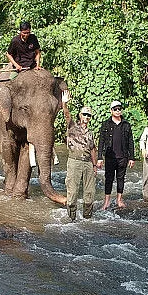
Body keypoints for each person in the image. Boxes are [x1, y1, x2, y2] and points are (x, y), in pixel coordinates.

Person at [61, 91, 97, 221]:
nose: (86, 117)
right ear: (80, 115)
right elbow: (66, 114)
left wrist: (94, 165)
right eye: (85, 114)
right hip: (74, 162)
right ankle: (71, 219)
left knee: (89, 193)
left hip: (87, 163)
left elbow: (93, 149)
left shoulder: (91, 133)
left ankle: (87, 218)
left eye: (89, 115)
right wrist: (64, 102)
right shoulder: (72, 126)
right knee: (73, 192)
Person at [97, 100, 136, 209]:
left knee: (121, 178)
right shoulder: (106, 124)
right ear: (111, 111)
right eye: (115, 109)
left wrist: (132, 157)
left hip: (123, 157)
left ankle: (119, 199)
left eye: (119, 109)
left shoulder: (126, 124)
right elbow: (101, 142)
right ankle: (107, 202)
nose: (118, 111)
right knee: (108, 179)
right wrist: (99, 157)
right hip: (110, 157)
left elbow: (130, 142)